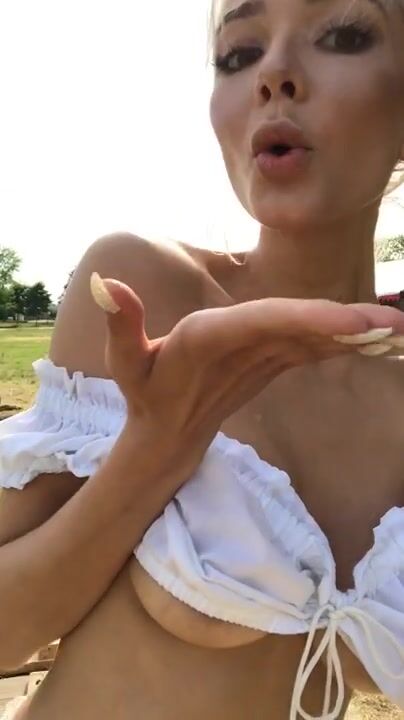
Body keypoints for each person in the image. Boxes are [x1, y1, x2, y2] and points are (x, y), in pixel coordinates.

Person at [1, 0, 404, 717]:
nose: (274, 75)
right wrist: (157, 446)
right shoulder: (143, 293)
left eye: (343, 35)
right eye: (238, 55)